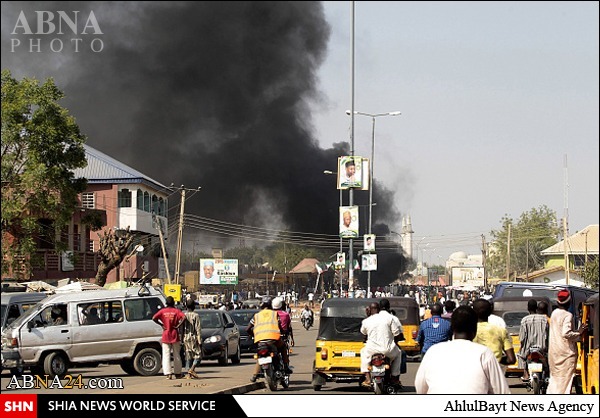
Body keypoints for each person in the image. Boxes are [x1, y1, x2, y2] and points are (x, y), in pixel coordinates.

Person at [415, 305, 511, 394]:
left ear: (452, 328)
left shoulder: (433, 351)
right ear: (475, 329)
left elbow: (420, 387)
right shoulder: (484, 353)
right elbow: (501, 391)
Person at [547, 289, 586, 394]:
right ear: (568, 302)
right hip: (565, 355)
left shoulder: (554, 313)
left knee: (555, 381)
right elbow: (566, 333)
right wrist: (579, 332)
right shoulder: (567, 315)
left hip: (554, 354)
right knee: (564, 383)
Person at [359, 298, 403, 388]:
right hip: (387, 350)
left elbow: (363, 333)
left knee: (363, 352)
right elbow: (397, 334)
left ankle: (367, 378)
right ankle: (395, 378)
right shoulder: (390, 318)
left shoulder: (367, 321)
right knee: (398, 353)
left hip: (371, 350)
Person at [247, 297, 291, 382]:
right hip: (273, 339)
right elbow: (280, 326)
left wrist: (254, 335)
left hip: (260, 341)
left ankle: (254, 375)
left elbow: (248, 328)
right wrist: (282, 332)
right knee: (283, 347)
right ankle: (285, 366)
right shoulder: (274, 314)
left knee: (260, 356)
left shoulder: (257, 315)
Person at [472, 298, 516, 368]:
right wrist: (496, 360)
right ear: (490, 312)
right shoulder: (501, 330)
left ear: (473, 312)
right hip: (495, 372)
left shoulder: (469, 330)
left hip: (475, 371)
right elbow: (511, 359)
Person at [152, 296, 186, 380]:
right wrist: (178, 325)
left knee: (166, 354)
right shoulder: (176, 311)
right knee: (176, 354)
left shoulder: (162, 311)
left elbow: (154, 318)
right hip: (175, 333)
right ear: (173, 303)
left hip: (166, 334)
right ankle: (178, 373)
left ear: (166, 303)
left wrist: (162, 325)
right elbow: (184, 317)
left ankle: (168, 374)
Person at [518, 299, 549, 382]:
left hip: (528, 349)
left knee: (521, 355)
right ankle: (547, 373)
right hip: (542, 348)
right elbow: (548, 334)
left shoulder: (524, 320)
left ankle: (525, 374)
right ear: (536, 308)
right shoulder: (544, 319)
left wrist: (522, 346)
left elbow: (522, 338)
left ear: (528, 308)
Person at [182, 297, 202, 379]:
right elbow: (198, 328)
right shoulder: (195, 315)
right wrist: (199, 340)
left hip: (185, 337)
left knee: (188, 355)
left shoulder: (184, 315)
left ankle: (189, 374)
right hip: (193, 337)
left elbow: (182, 328)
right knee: (198, 355)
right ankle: (192, 369)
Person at [272, 297, 294, 368]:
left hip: (270, 337)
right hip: (282, 336)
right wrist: (292, 339)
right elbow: (289, 327)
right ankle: (286, 365)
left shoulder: (270, 314)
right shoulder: (286, 314)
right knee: (283, 349)